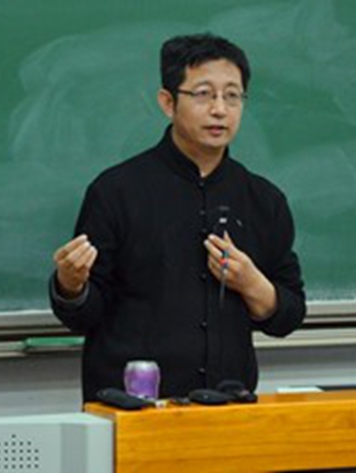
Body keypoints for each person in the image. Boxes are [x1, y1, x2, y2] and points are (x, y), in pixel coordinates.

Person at [50, 33, 306, 402]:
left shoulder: (263, 200)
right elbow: (83, 315)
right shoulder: (117, 191)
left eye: (232, 96)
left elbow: (289, 316)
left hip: (230, 407)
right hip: (133, 408)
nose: (220, 109)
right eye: (203, 94)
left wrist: (253, 284)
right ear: (167, 102)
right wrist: (71, 285)